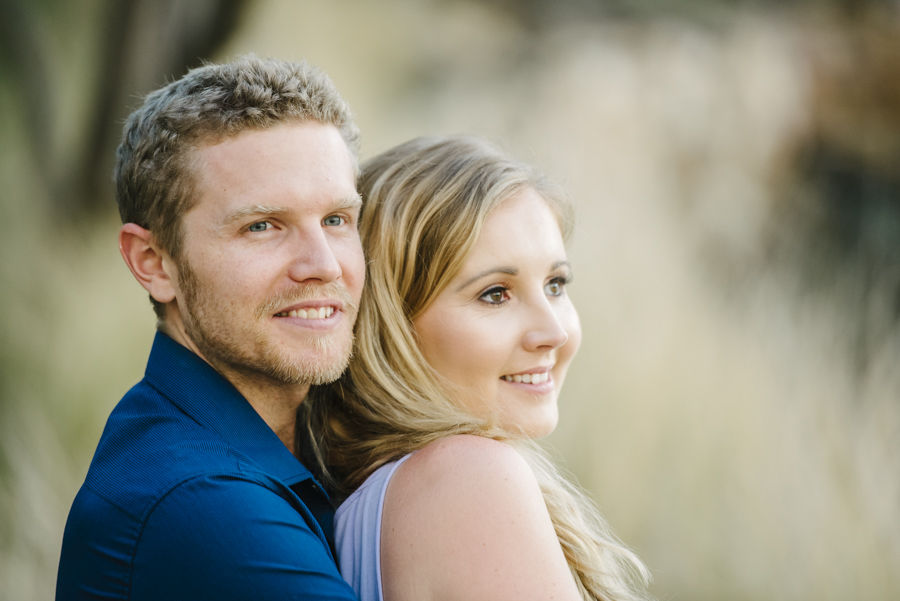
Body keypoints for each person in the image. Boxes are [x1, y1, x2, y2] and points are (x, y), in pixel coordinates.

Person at [56, 56, 363, 600]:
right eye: (262, 226)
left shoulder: (289, 440)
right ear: (154, 262)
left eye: (336, 220)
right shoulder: (206, 504)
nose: (323, 265)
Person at [300, 136, 651, 601]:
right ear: (391, 325)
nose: (554, 332)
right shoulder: (469, 481)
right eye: (495, 294)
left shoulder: (373, 500)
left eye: (555, 284)